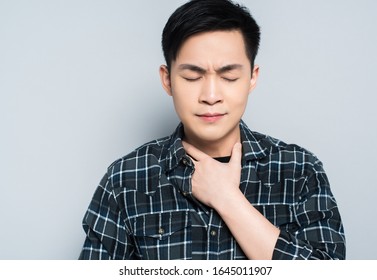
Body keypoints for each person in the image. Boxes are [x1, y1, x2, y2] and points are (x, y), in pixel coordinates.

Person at [79, 0, 346, 260]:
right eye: (192, 77)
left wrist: (228, 200)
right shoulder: (125, 180)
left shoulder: (300, 171)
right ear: (167, 79)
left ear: (252, 78)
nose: (210, 95)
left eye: (229, 77)